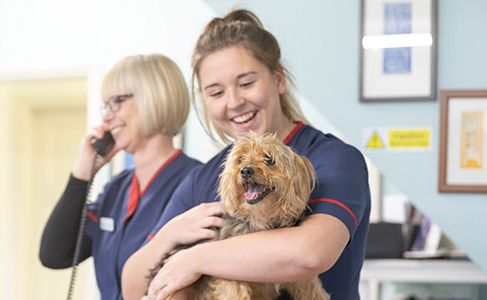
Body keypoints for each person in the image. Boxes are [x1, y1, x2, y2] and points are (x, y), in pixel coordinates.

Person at [121, 9, 370, 300]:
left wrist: (194, 259)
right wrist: (169, 234)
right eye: (216, 93)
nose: (235, 103)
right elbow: (132, 287)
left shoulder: (334, 160)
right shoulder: (202, 179)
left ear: (278, 80)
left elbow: (308, 255)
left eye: (246, 83)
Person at [39, 54, 202, 300]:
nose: (106, 117)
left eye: (116, 102)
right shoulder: (116, 189)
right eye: (105, 106)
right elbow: (55, 254)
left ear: (154, 98)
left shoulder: (196, 183)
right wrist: (83, 172)